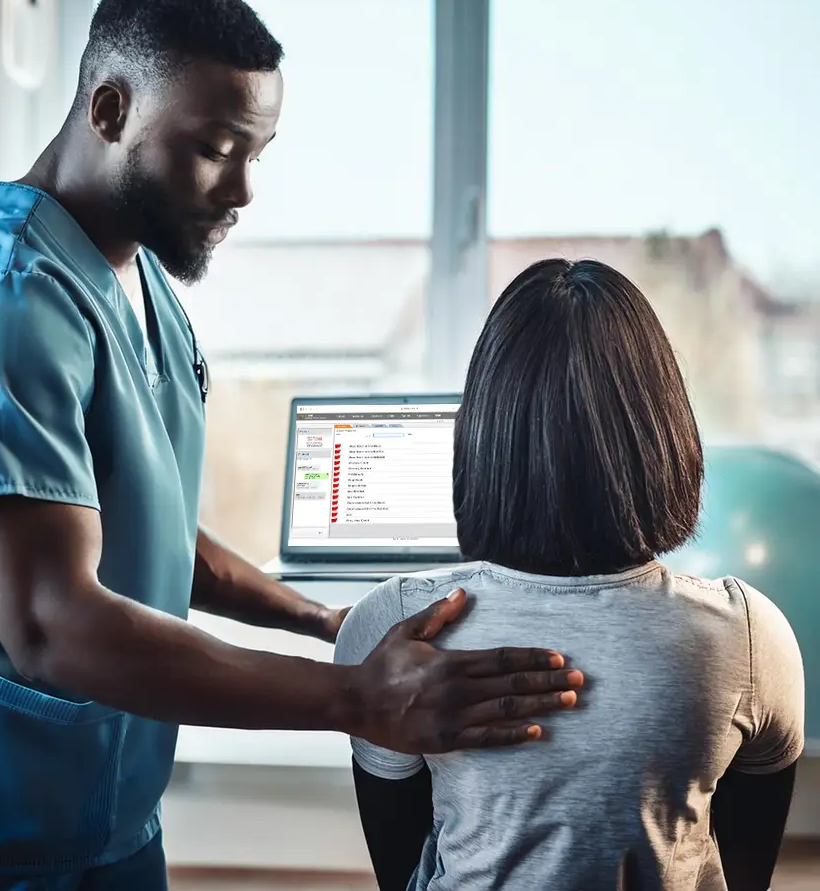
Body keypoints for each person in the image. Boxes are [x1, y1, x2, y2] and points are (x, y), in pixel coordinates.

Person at [0, 0, 585, 890]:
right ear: (109, 110)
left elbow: (147, 530)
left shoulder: (141, 284)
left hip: (102, 817)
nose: (243, 191)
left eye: (257, 154)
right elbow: (50, 623)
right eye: (217, 149)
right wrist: (355, 700)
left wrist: (326, 621)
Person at [334, 259, 805, 891]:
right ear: (661, 431)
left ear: (483, 433)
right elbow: (749, 869)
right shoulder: (749, 634)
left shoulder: (392, 629)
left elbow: (402, 870)